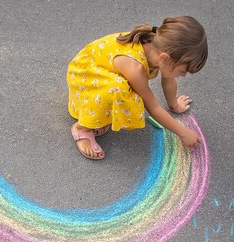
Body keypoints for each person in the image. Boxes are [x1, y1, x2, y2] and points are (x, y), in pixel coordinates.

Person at [67, 16, 208, 159]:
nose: (183, 75)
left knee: (123, 90)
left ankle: (99, 115)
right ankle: (82, 128)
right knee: (120, 91)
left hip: (101, 72)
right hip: (84, 76)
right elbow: (153, 107)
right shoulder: (136, 69)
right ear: (165, 58)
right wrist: (183, 132)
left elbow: (168, 80)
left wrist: (174, 105)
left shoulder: (160, 48)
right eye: (183, 71)